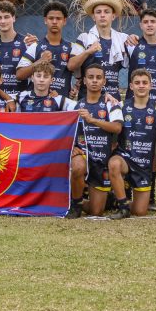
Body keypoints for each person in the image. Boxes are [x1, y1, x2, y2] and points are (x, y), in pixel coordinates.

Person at [108, 68, 156, 219]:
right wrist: (106, 96)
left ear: (151, 85)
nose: (141, 86)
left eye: (144, 82)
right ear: (131, 86)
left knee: (140, 211)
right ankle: (123, 207)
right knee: (114, 164)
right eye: (137, 83)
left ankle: (112, 201)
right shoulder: (121, 105)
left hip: (144, 165)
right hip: (125, 158)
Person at [68, 62, 123, 218]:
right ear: (84, 80)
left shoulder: (111, 104)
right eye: (90, 77)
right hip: (83, 155)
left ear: (104, 81)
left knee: (96, 211)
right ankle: (76, 205)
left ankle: (106, 200)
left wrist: (92, 120)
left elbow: (117, 128)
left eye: (98, 78)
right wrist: (71, 147)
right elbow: (65, 130)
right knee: (77, 166)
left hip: (101, 159)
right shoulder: (74, 106)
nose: (94, 80)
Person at [72, 0, 131, 99]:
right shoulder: (84, 38)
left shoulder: (123, 38)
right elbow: (71, 66)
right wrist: (87, 52)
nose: (102, 15)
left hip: (113, 99)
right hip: (87, 98)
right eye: (98, 12)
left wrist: (135, 39)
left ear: (113, 16)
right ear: (93, 17)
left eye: (106, 12)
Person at [17, 1, 84, 97]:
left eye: (58, 18)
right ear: (45, 20)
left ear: (64, 21)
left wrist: (75, 89)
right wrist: (40, 61)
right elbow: (19, 75)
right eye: (51, 18)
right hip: (36, 102)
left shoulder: (72, 47)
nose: (54, 22)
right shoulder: (35, 46)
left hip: (61, 101)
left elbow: (79, 76)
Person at [125, 8, 156, 104]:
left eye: (153, 21)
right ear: (141, 25)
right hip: (133, 102)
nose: (149, 25)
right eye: (145, 22)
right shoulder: (131, 45)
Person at [0, 0, 28, 96]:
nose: (3, 21)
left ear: (13, 18)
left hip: (22, 96)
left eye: (6, 17)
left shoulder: (27, 42)